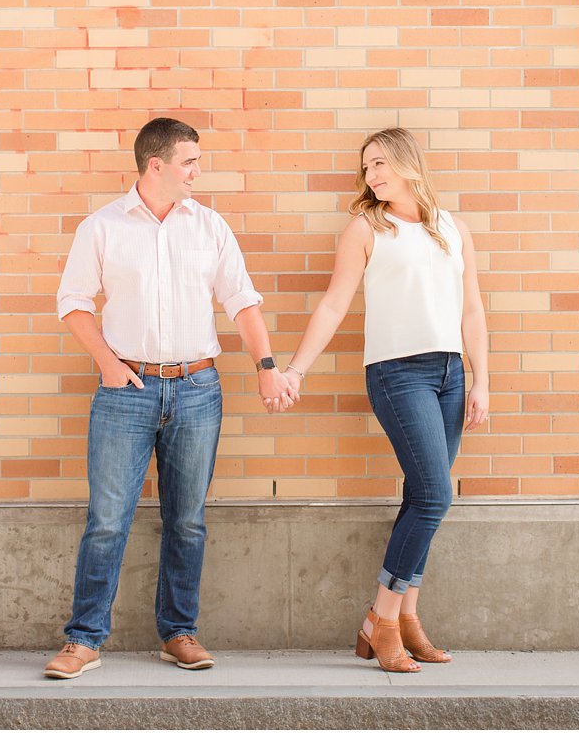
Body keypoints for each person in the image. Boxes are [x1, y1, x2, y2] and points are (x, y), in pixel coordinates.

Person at [45, 117, 294, 679]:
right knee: (108, 520)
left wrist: (267, 366)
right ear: (155, 165)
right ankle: (83, 640)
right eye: (189, 162)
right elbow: (73, 302)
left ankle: (178, 632)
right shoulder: (102, 227)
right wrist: (108, 365)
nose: (197, 173)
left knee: (187, 521)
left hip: (198, 389)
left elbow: (241, 300)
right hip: (125, 391)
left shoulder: (209, 226)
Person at [279, 127, 489, 672]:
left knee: (422, 499)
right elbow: (333, 305)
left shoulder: (452, 228)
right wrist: (296, 368)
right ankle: (382, 618)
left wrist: (481, 379)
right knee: (435, 495)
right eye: (366, 168)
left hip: (449, 373)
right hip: (398, 374)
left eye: (380, 164)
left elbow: (472, 312)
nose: (371, 176)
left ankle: (408, 618)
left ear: (407, 163)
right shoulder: (366, 228)